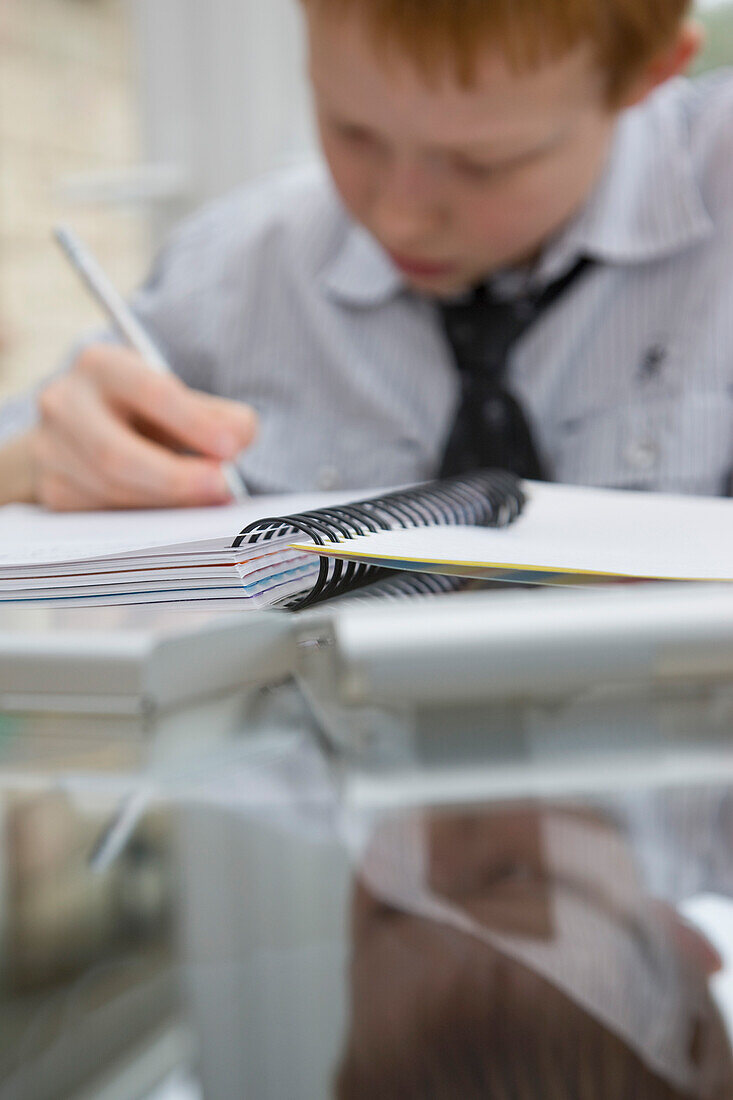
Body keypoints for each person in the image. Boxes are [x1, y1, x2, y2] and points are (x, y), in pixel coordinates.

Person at [1, 0, 731, 510]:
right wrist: (38, 465)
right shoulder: (235, 270)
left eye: (485, 162)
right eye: (352, 133)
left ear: (650, 73)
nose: (399, 220)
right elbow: (23, 448)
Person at [335, 804, 733, 1098]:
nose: (435, 849)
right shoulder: (707, 800)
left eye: (392, 909)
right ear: (689, 944)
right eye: (511, 873)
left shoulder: (317, 773)